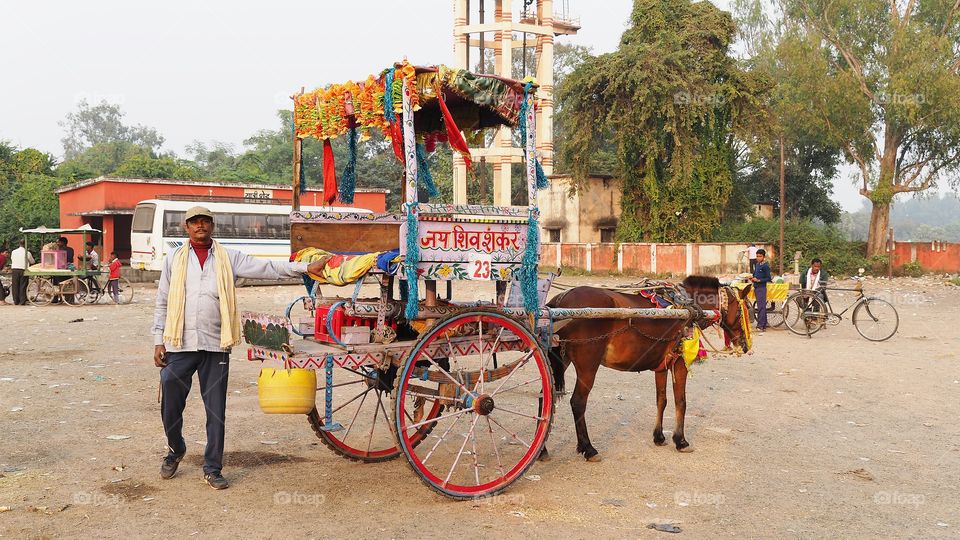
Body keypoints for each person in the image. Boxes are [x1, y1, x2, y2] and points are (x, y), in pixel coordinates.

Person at [153, 206, 325, 490]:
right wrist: (158, 340)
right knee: (170, 398)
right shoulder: (174, 258)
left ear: (212, 226)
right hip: (179, 343)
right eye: (195, 222)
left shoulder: (227, 257)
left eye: (205, 221)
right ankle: (175, 448)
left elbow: (267, 267)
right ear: (186, 227)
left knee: (216, 410)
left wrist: (305, 267)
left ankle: (212, 468)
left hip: (215, 344)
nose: (200, 226)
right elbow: (162, 301)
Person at [749, 248, 772, 332]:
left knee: (761, 307)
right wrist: (752, 278)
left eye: (760, 256)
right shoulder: (757, 264)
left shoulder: (765, 266)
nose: (758, 258)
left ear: (763, 257)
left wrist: (759, 280)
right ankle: (764, 324)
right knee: (761, 306)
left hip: (762, 288)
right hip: (756, 287)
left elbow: (769, 278)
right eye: (757, 256)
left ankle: (761, 325)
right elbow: (755, 274)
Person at [11, 240, 35, 306]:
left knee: (15, 285)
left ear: (19, 244)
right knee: (23, 285)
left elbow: (12, 259)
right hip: (23, 270)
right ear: (25, 244)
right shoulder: (27, 253)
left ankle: (16, 301)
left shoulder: (13, 252)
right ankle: (22, 301)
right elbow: (32, 261)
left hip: (15, 269)